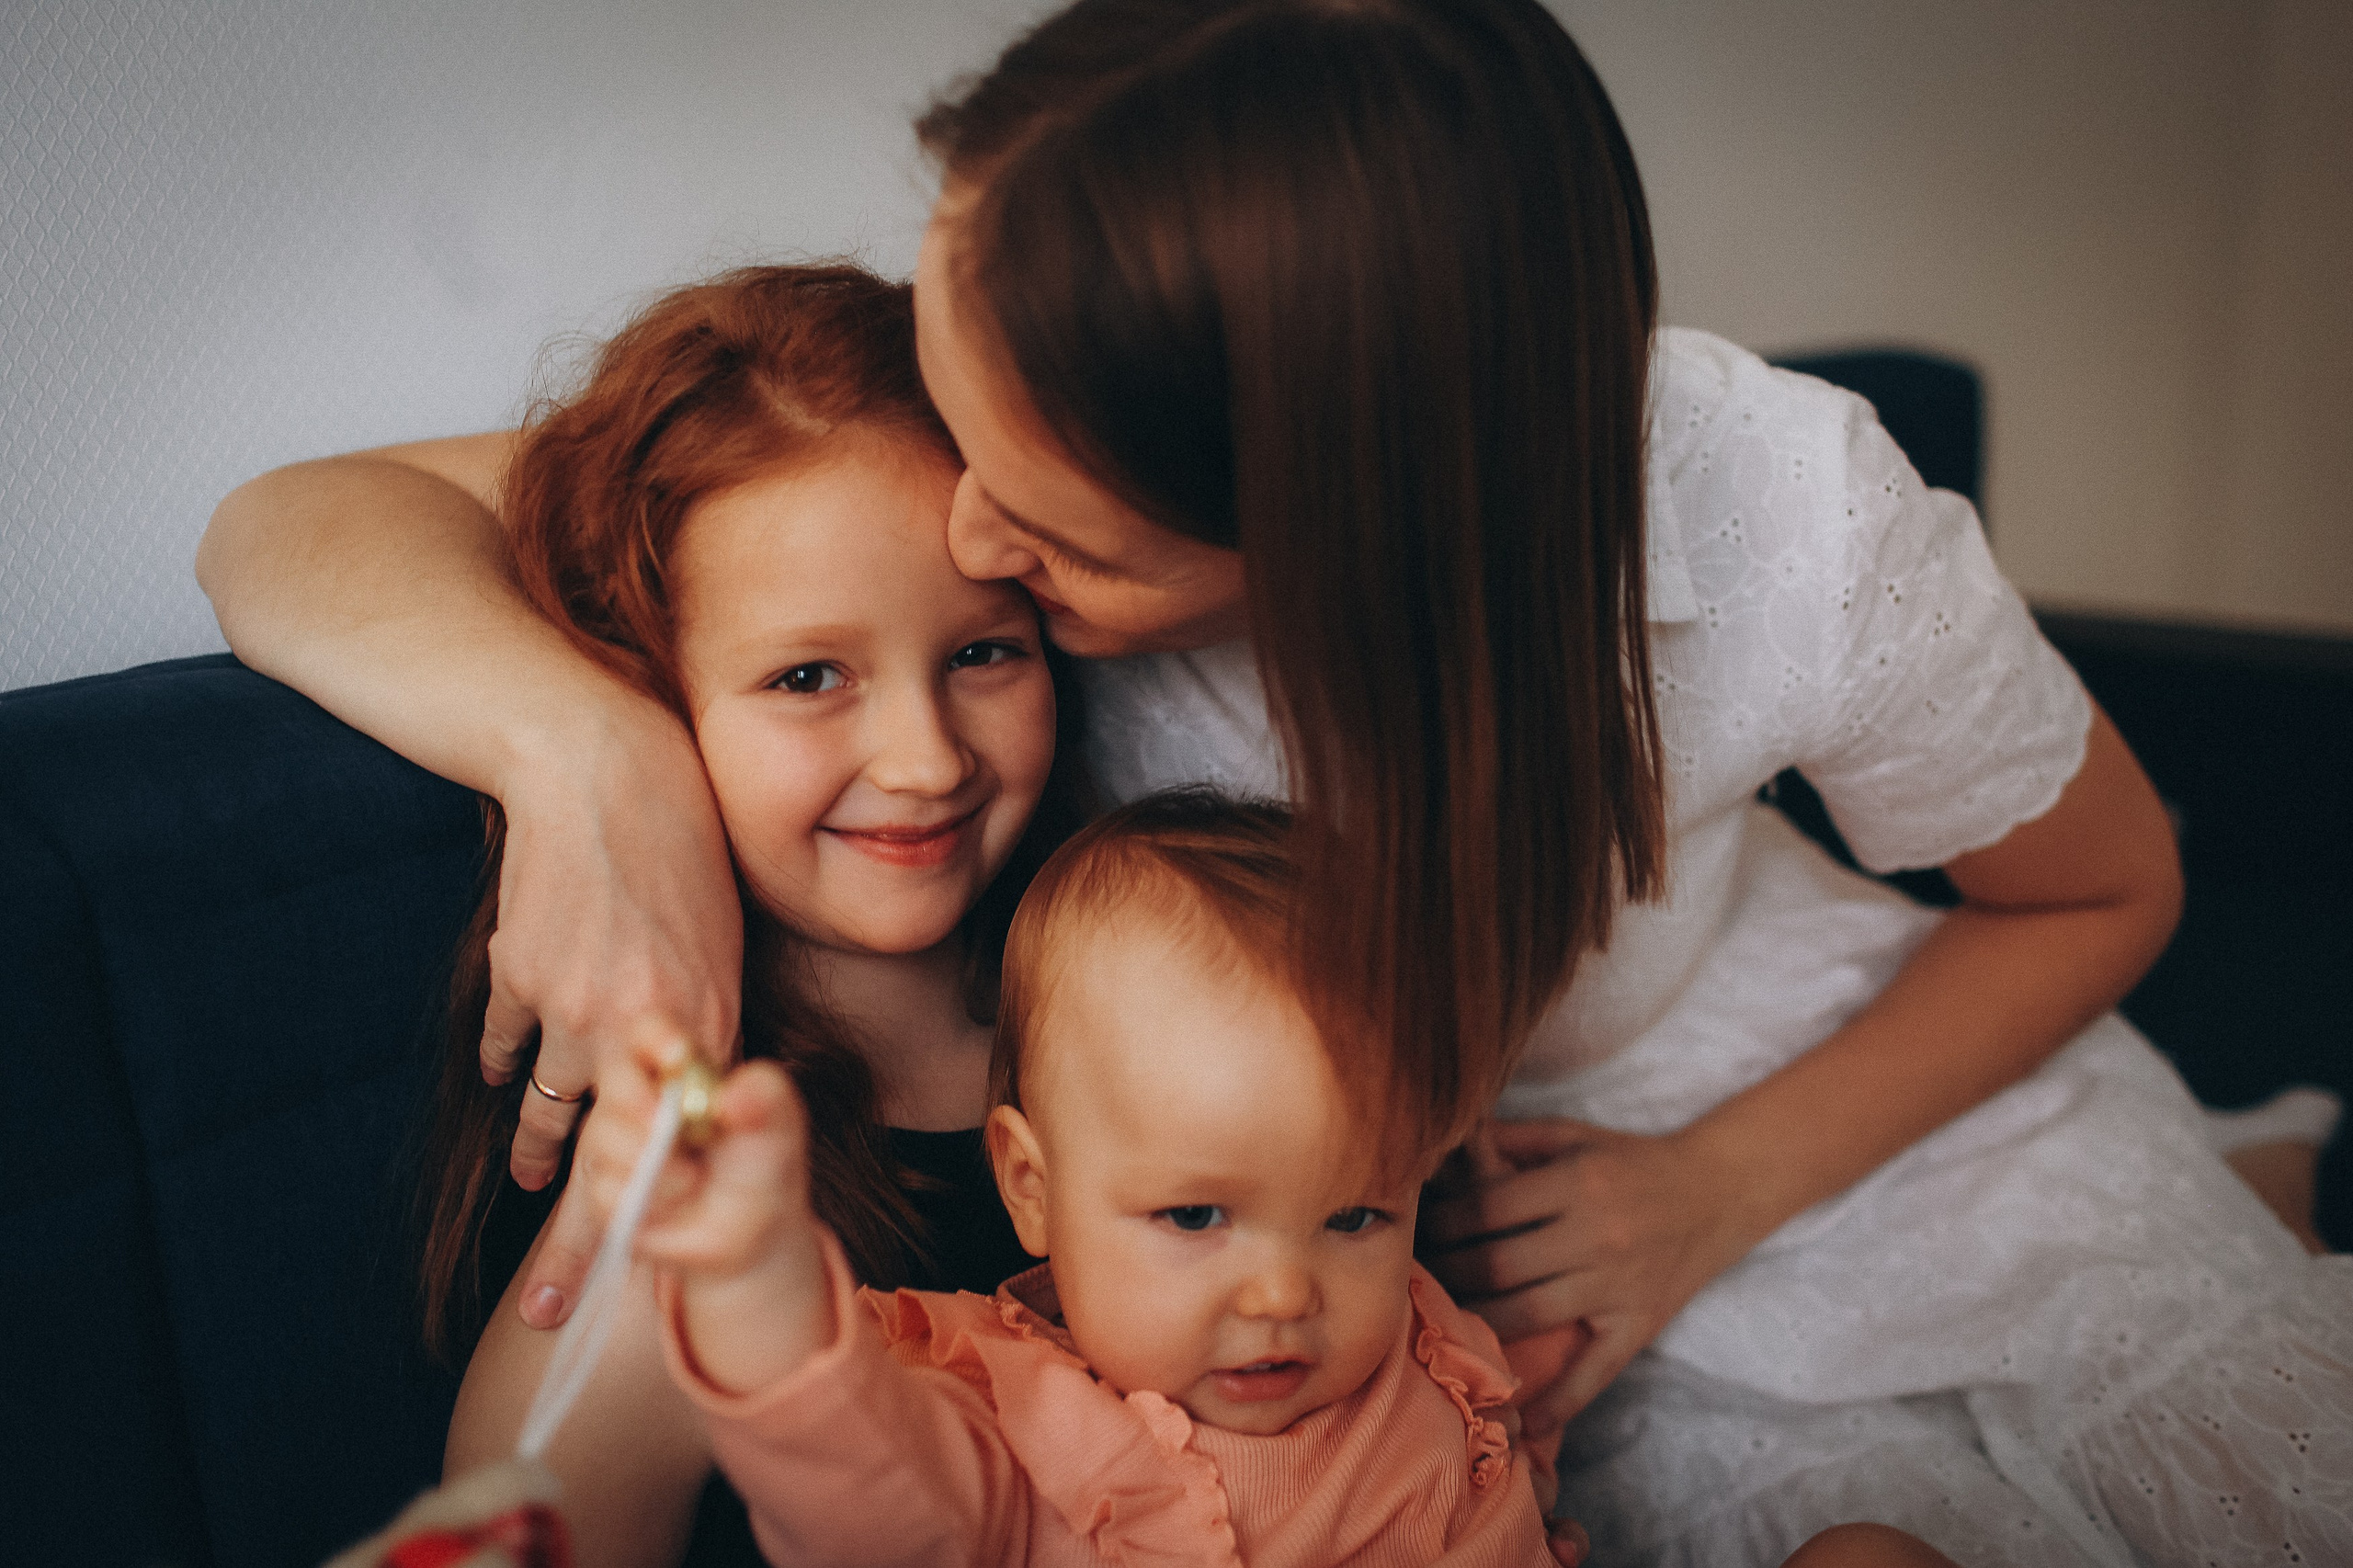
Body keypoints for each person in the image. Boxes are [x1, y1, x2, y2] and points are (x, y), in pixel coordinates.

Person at [199, 2, 2351, 1563]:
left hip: (1832, 1120)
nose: (967, 538)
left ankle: (2235, 1189)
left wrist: (1713, 1189)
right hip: (1472, 1282)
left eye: (1040, 561)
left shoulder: (1782, 521)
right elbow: (314, 521)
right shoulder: (1015, 384)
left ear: (1318, 535)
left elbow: (2099, 884)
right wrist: (595, 757)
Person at [569, 791, 1959, 1568]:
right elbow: (856, 1493)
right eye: (1193, 1216)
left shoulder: (1430, 1373)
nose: (1289, 1289)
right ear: (1032, 1188)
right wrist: (751, 1274)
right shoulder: (1005, 1426)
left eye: (1359, 1212)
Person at [399, 261, 1082, 1568]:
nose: (927, 757)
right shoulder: (691, 1190)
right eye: (810, 675)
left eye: (985, 651)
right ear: (646, 697)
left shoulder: (1135, 976)